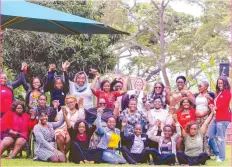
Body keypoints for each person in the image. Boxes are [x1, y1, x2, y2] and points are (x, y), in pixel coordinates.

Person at [207, 76, 231, 162]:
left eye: (221, 83)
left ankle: (221, 158)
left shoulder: (227, 92)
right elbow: (215, 103)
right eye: (219, 83)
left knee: (220, 137)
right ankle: (217, 154)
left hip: (223, 118)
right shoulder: (218, 93)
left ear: (225, 83)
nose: (220, 84)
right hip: (216, 116)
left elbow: (224, 105)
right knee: (210, 136)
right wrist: (210, 102)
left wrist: (215, 108)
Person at [195, 81, 214, 155]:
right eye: (198, 86)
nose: (199, 87)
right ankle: (199, 152)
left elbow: (211, 107)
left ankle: (207, 153)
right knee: (198, 135)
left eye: (200, 86)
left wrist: (203, 114)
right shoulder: (197, 95)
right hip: (197, 118)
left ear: (206, 87)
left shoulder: (208, 96)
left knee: (205, 135)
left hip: (205, 118)